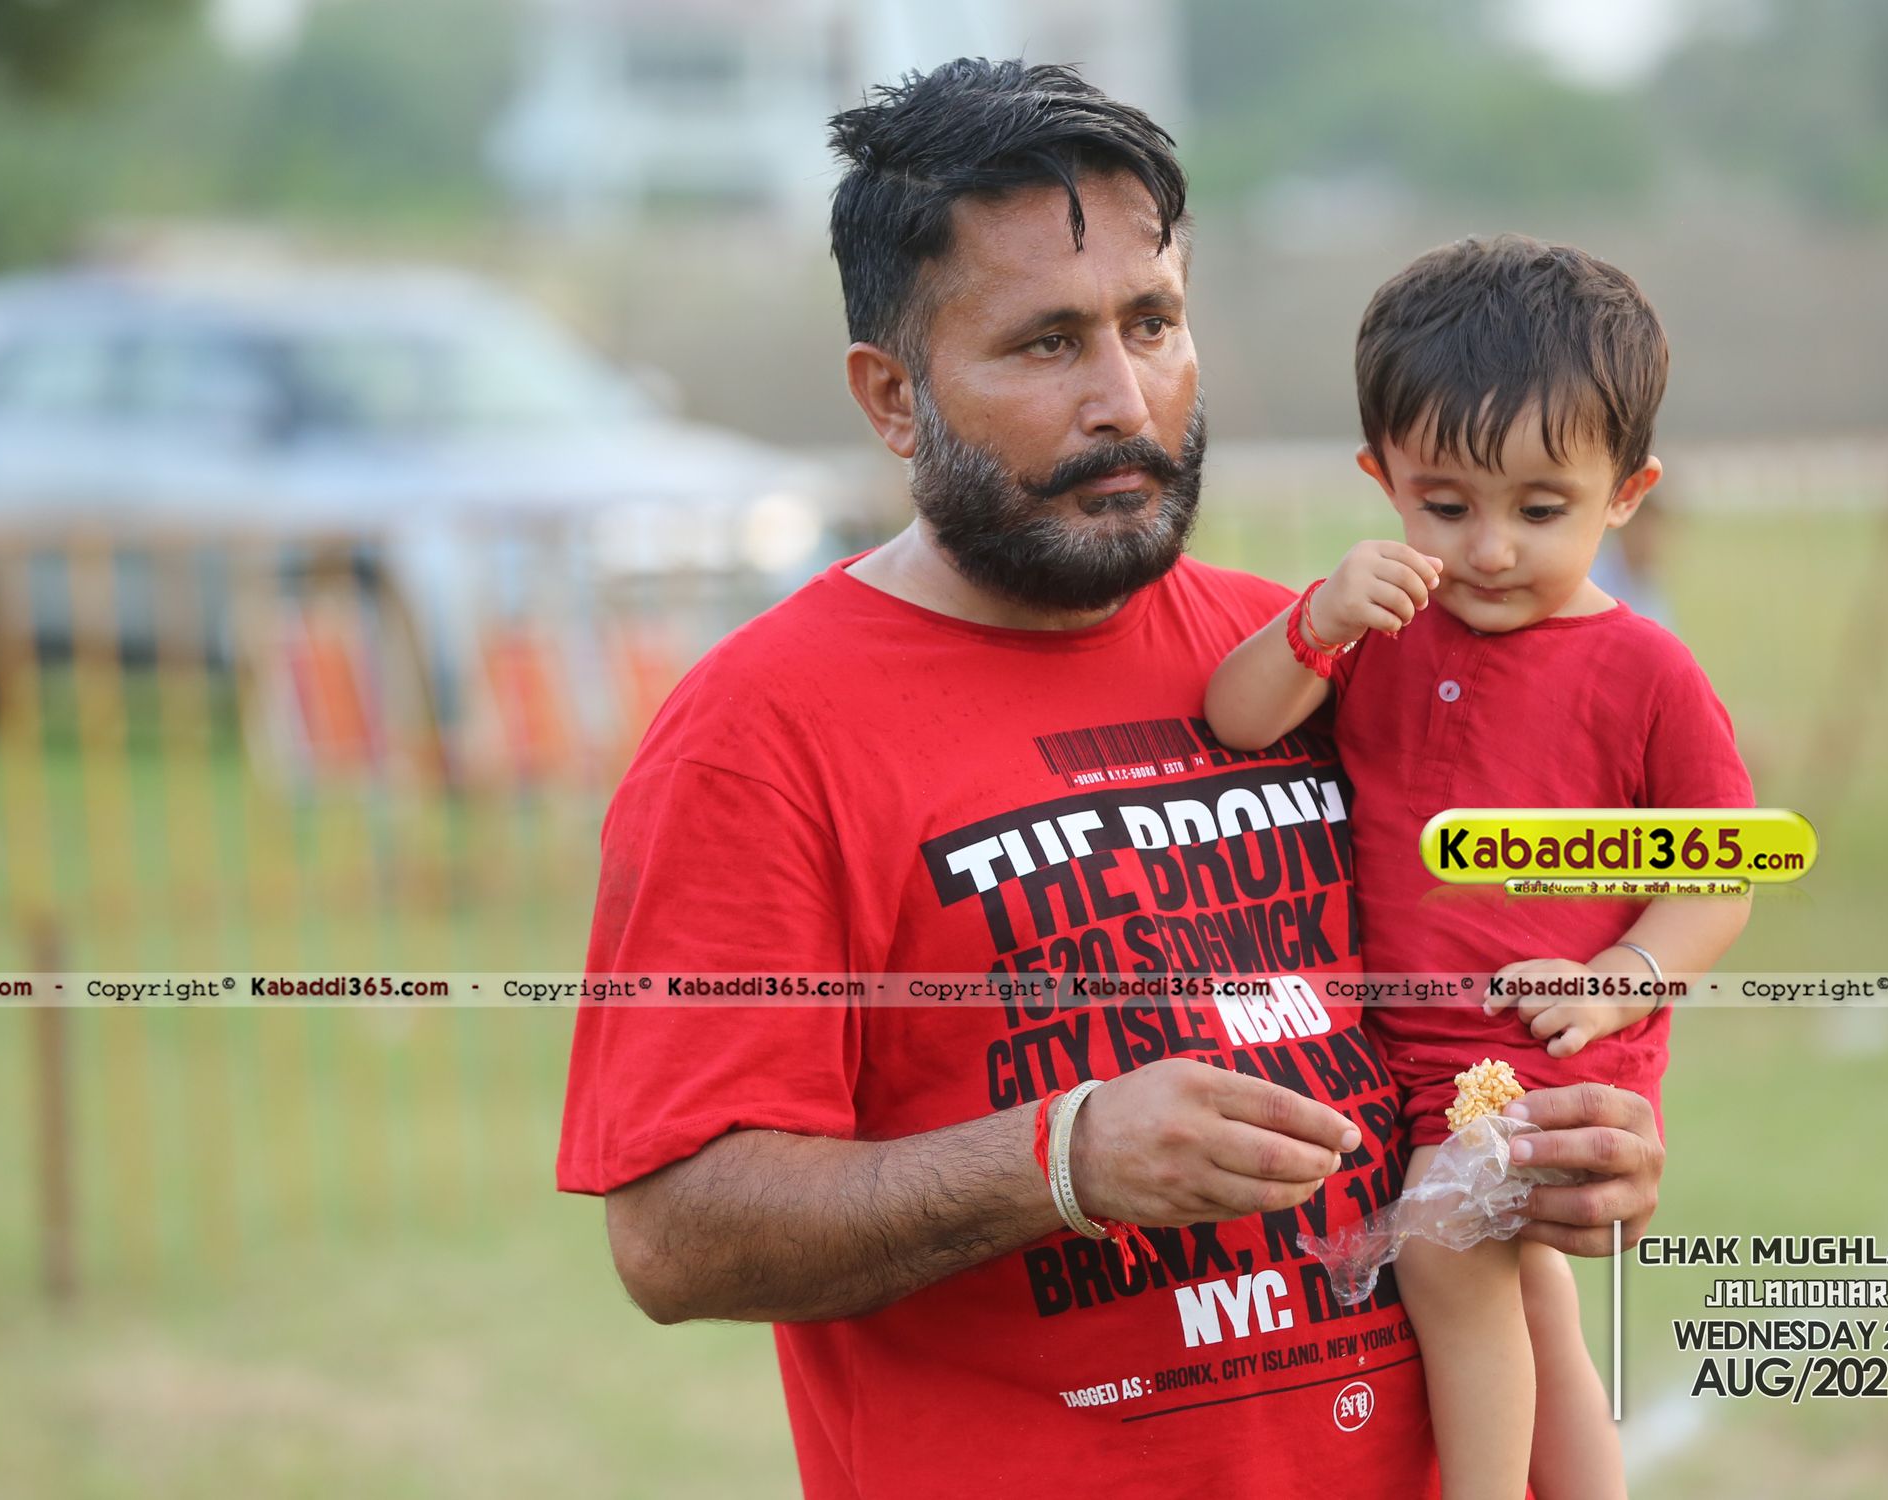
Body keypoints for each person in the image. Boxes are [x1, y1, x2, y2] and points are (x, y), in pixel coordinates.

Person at [559, 62, 1668, 1498]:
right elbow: (673, 1233)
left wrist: (1585, 1137)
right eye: (1045, 344)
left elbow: (1500, 978)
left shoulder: (1322, 656)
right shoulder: (760, 733)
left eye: (1151, 323)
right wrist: (1061, 1160)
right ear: (893, 399)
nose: (1123, 400)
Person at [1204, 234, 1755, 1498]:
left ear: (1627, 493)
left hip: (1549, 1048)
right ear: (1381, 477)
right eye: (1446, 506)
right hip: (1418, 1059)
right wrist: (1313, 621)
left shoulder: (1644, 670)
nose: (1492, 548)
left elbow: (1716, 875)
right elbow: (1237, 720)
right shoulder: (1379, 630)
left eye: (1541, 510)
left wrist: (1619, 979)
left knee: (1446, 1251)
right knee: (1537, 1307)